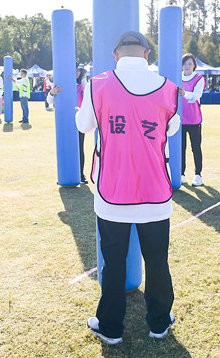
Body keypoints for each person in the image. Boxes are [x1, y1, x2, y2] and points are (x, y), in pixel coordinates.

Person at [76, 31, 180, 345]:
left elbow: (84, 125)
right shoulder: (168, 88)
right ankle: (159, 322)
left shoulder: (97, 84)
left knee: (113, 262)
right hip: (155, 192)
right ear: (147, 53)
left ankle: (110, 327)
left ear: (116, 54)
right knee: (157, 261)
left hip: (112, 192)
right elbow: (171, 128)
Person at [48, 65, 89, 183]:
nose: (76, 72)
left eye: (78, 70)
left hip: (79, 121)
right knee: (65, 148)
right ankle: (65, 175)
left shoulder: (82, 84)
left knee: (79, 148)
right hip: (65, 121)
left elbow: (88, 96)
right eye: (74, 70)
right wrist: (52, 92)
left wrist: (83, 81)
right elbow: (49, 101)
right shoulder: (61, 84)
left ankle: (81, 175)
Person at [180, 53, 205, 187]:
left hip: (194, 119)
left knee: (196, 147)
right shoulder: (177, 77)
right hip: (180, 119)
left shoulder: (199, 78)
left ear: (194, 65)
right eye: (185, 64)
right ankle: (181, 174)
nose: (187, 66)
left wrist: (185, 94)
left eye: (190, 64)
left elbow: (196, 95)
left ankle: (198, 175)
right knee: (181, 148)